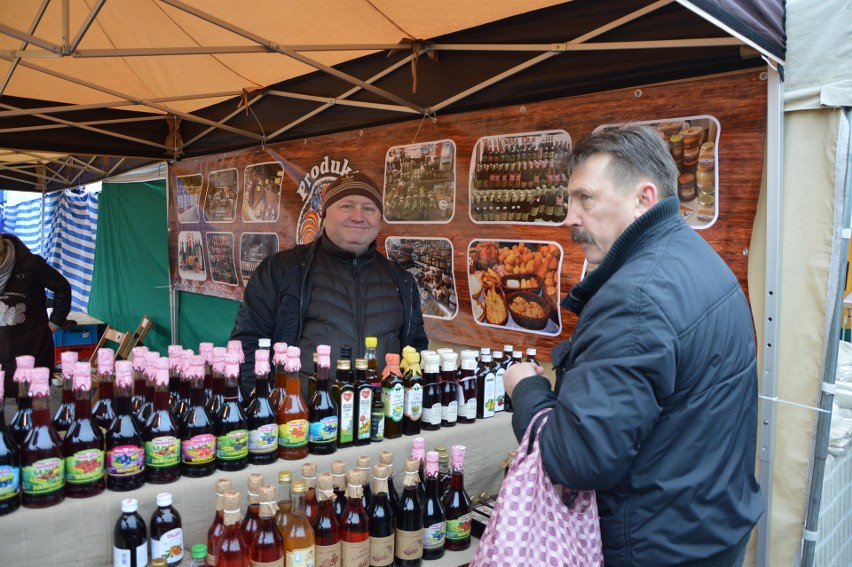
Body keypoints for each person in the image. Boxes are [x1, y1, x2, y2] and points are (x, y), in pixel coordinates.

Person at [503, 126, 763, 566]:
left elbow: (578, 458)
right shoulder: (694, 255)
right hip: (705, 527)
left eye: (585, 198)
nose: (570, 217)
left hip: (654, 543)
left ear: (644, 198)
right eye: (570, 200)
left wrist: (527, 391)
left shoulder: (635, 297)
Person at [230, 172, 429, 393]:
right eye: (346, 206)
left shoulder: (401, 280)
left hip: (379, 419)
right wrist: (262, 410)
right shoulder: (281, 269)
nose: (358, 216)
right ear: (324, 214)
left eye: (369, 208)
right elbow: (247, 346)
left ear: (379, 220)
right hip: (301, 421)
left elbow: (415, 349)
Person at [1, 233, 73, 393]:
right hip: (3, 348)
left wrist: (55, 322)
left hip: (32, 347)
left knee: (31, 404)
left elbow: (62, 287)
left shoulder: (30, 264)